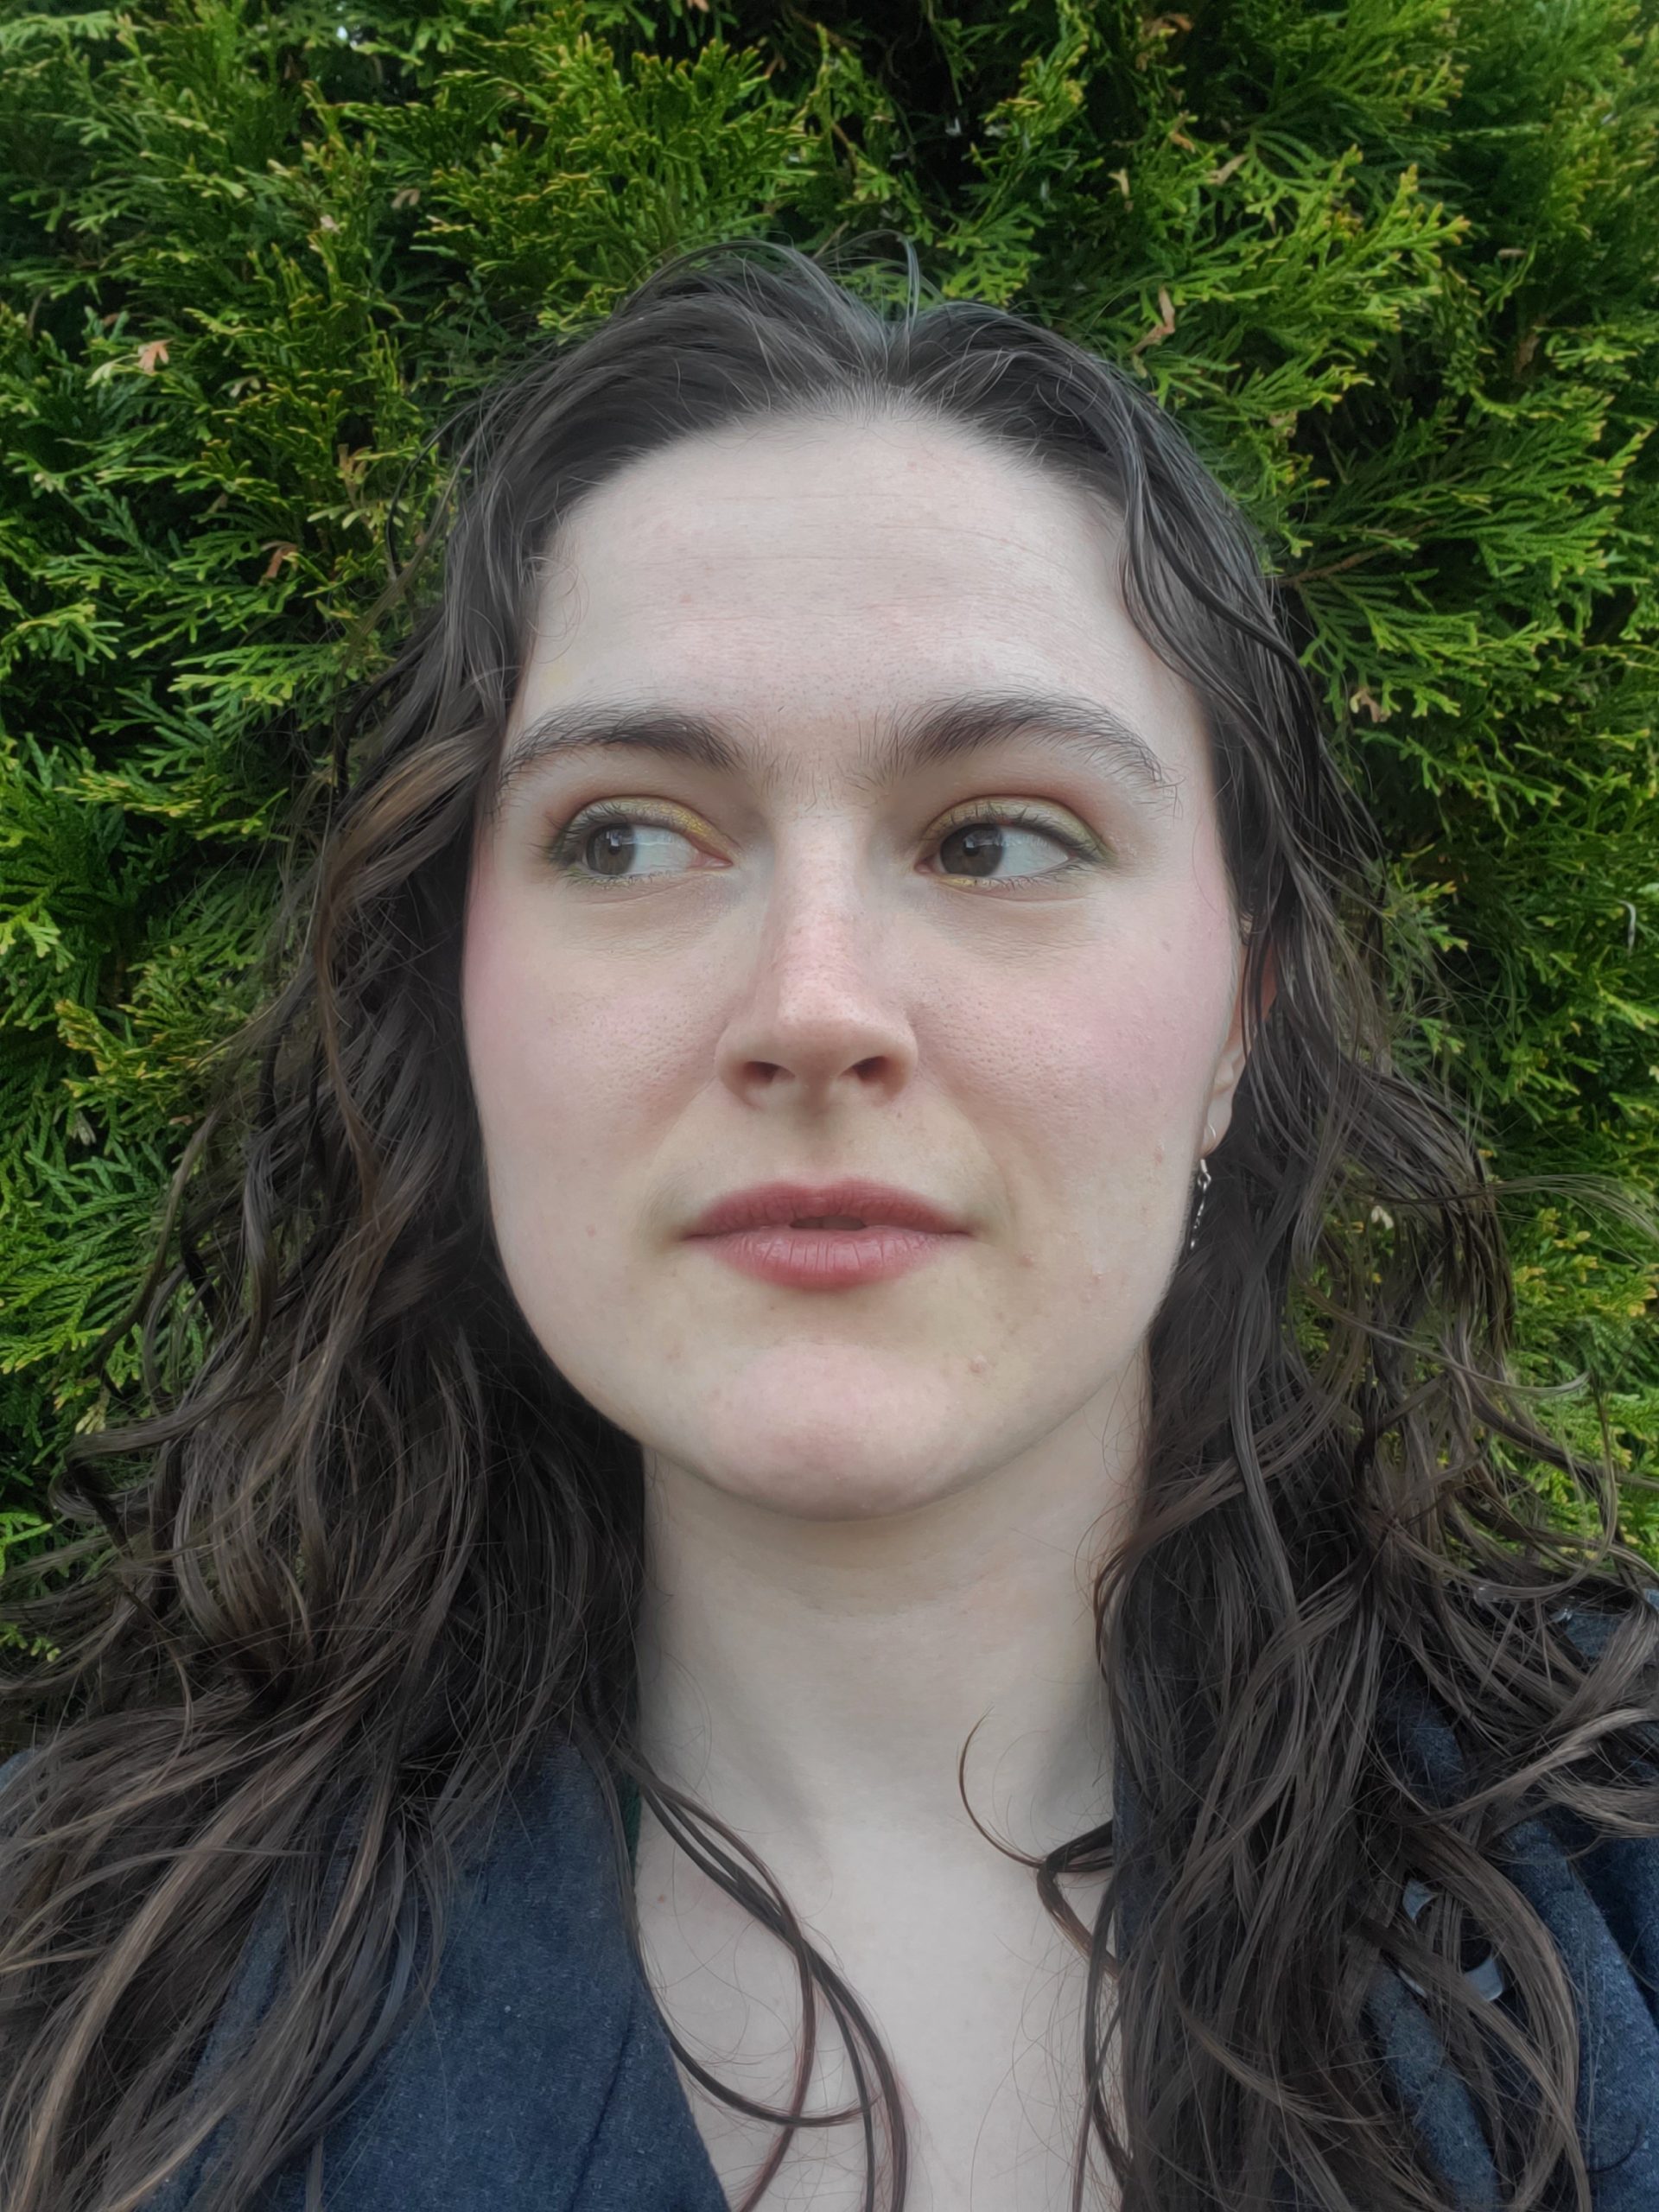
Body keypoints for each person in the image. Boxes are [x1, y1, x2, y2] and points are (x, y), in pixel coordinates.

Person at [1, 235, 1656, 2212]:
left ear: (1244, 1013)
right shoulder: (75, 1991)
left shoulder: (1617, 1863)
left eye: (998, 837)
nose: (812, 1005)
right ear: (459, 985)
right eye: (625, 835)